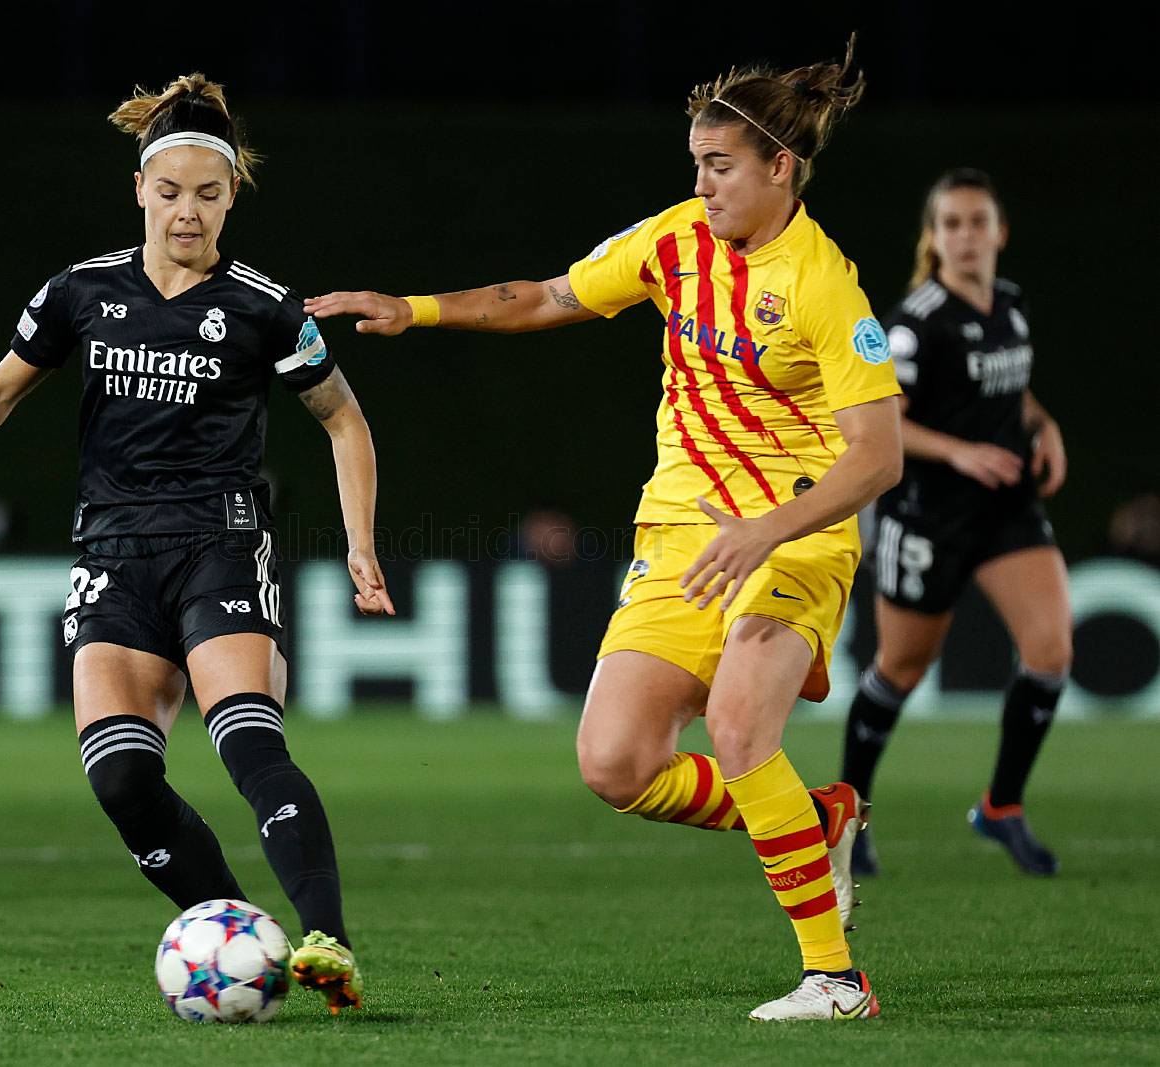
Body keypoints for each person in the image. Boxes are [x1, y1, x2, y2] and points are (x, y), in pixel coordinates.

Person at [307, 42, 900, 1021]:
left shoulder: (826, 286)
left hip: (794, 537)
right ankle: (817, 818)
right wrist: (412, 310)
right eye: (697, 165)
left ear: (779, 168)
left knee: (745, 730)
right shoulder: (673, 242)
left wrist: (769, 529)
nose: (702, 185)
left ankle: (836, 977)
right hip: (679, 536)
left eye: (720, 167)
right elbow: (547, 295)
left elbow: (877, 457)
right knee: (616, 763)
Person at [0, 74, 392, 1014]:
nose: (190, 212)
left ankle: (329, 943)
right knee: (121, 778)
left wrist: (360, 542)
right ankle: (236, 935)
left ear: (233, 198)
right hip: (111, 553)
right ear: (141, 189)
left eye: (210, 194)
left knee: (248, 742)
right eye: (173, 191)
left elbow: (344, 420)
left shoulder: (266, 307)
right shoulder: (81, 292)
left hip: (218, 544)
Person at [840, 169, 1071, 878]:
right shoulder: (913, 321)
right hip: (927, 515)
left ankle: (1001, 805)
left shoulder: (1009, 303)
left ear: (1000, 231)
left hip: (1005, 511)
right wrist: (962, 451)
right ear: (933, 238)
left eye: (978, 222)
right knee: (900, 670)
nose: (966, 236)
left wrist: (1043, 423)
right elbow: (884, 427)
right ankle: (848, 816)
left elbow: (1009, 382)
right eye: (952, 224)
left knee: (1051, 651)